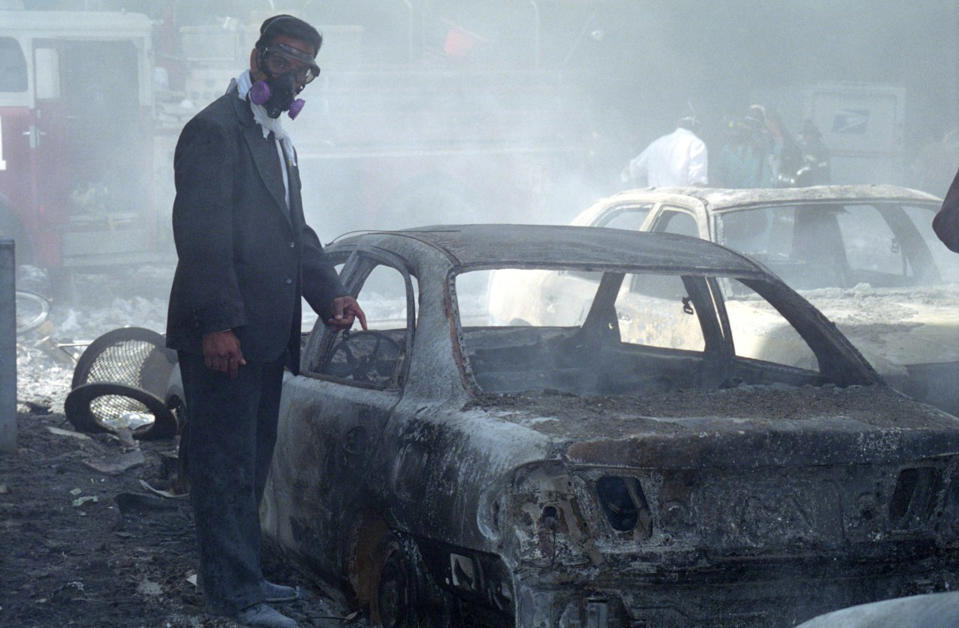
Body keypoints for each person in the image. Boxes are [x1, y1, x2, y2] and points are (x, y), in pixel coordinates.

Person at [165, 14, 366, 628]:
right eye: (283, 62)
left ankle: (244, 578)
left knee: (250, 463)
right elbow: (200, 238)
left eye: (305, 69)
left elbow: (293, 235)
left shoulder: (275, 137)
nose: (292, 78)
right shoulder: (214, 130)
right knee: (223, 466)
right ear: (257, 59)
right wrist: (217, 324)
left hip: (267, 336)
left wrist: (328, 295)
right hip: (228, 337)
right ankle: (234, 598)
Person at [620, 114, 708, 187]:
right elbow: (698, 183)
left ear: (678, 125)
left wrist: (619, 185)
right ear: (700, 129)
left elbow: (630, 171)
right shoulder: (697, 145)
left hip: (656, 205)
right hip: (680, 205)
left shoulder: (657, 144)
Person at [713, 105, 776, 188]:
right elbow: (719, 179)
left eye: (756, 124)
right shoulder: (728, 151)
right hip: (733, 199)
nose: (751, 128)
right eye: (748, 123)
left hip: (762, 199)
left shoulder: (770, 150)